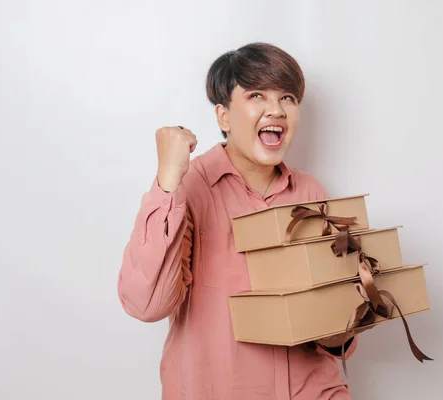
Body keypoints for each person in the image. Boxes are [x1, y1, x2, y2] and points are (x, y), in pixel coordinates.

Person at [117, 42, 367, 400]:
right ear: (223, 116)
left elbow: (338, 338)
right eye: (257, 95)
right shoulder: (187, 187)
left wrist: (341, 331)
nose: (276, 110)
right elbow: (146, 303)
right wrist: (168, 178)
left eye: (287, 98)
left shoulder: (311, 192)